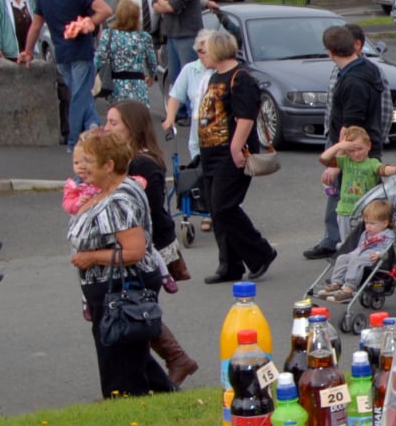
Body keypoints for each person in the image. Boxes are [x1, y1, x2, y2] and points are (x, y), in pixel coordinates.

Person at [66, 126, 173, 398]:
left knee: (120, 361)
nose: (82, 168)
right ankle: (161, 394)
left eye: (89, 162)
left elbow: (134, 251)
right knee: (127, 353)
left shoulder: (119, 199)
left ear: (109, 165)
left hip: (121, 287)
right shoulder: (104, 191)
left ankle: (126, 405)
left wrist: (91, 257)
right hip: (109, 287)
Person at [104, 100, 197, 386]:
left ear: (132, 128)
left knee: (136, 310)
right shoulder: (127, 160)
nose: (106, 128)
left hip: (148, 250)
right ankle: (167, 363)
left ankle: (172, 361)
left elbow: (154, 214)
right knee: (135, 309)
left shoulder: (142, 163)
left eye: (113, 123)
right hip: (139, 246)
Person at [193, 28, 277, 284]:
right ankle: (229, 265)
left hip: (231, 154)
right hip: (210, 153)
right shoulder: (214, 77)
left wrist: (236, 148)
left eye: (203, 51)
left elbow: (246, 117)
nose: (200, 56)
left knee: (224, 206)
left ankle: (260, 252)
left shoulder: (241, 78)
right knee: (216, 210)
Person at [302, 24, 388, 261]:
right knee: (347, 197)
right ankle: (344, 244)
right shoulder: (365, 69)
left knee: (356, 201)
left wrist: (337, 162)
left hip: (356, 152)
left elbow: (351, 129)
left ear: (329, 51)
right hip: (365, 147)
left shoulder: (353, 81)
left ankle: (354, 250)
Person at [23, 0, 114, 149]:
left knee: (81, 94)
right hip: (81, 51)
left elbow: (36, 25)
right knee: (80, 97)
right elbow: (106, 10)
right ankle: (74, 142)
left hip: (60, 52)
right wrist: (89, 22)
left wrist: (29, 51)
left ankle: (94, 129)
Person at [319, 123, 384, 243]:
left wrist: (395, 169)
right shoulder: (345, 161)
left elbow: (382, 169)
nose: (356, 153)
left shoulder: (371, 163)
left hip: (365, 211)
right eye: (351, 150)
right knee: (347, 243)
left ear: (368, 146)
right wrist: (339, 146)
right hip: (345, 211)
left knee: (365, 242)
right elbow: (323, 159)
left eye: (359, 149)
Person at [152, 0, 204, 92]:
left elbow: (173, 7)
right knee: (174, 78)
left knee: (188, 77)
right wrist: (164, 4)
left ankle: (190, 112)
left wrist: (165, 4)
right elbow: (155, 2)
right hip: (171, 36)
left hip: (187, 36)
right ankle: (178, 112)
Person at [325, 197, 396, 302]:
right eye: (366, 223)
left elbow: (389, 250)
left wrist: (379, 254)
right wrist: (351, 253)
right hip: (360, 253)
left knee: (356, 261)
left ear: (385, 223)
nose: (368, 226)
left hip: (374, 257)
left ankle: (349, 288)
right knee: (342, 258)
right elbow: (360, 246)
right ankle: (336, 283)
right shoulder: (365, 233)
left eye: (372, 223)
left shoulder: (387, 234)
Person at [98, 0, 161, 105]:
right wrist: (151, 75)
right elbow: (152, 62)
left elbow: (99, 59)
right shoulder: (144, 37)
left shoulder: (108, 34)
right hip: (138, 84)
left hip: (115, 85)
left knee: (118, 115)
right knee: (137, 117)